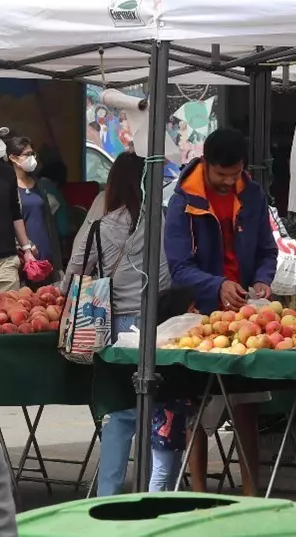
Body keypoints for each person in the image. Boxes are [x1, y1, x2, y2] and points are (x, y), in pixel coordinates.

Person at [164, 127, 277, 494]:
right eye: (222, 174)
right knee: (196, 409)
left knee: (246, 407)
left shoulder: (253, 194)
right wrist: (217, 286)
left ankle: (251, 495)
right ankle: (198, 493)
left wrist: (262, 280)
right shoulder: (183, 201)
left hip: (247, 315)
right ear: (206, 164)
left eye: (236, 172)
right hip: (199, 316)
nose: (230, 181)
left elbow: (266, 250)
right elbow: (178, 267)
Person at [64, 151, 176, 495]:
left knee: (118, 415)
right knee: (160, 414)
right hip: (157, 325)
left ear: (113, 183)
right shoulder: (162, 219)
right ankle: (156, 496)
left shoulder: (103, 224)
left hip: (112, 327)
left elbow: (75, 272)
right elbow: (169, 278)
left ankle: (109, 496)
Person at [9, 138, 62, 283]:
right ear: (13, 158)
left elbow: (48, 221)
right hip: (24, 258)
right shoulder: (8, 187)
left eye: (33, 154)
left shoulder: (38, 185)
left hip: (46, 254)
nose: (32, 158)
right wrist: (25, 246)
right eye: (27, 154)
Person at [0, 148, 39, 292]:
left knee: (8, 310)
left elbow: (15, 213)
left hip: (6, 261)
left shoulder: (7, 172)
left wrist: (27, 249)